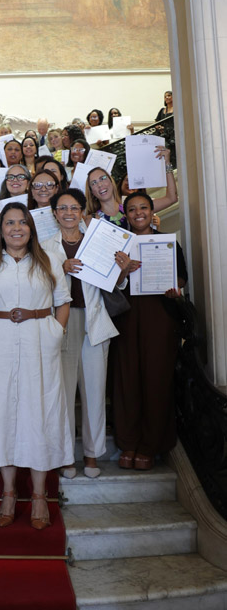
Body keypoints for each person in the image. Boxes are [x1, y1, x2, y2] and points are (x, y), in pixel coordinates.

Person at [0, 204, 72, 529]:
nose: (16, 228)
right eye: (9, 223)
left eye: (22, 222)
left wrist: (56, 333)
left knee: (38, 412)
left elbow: (63, 301)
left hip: (39, 340)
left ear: (31, 228)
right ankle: (8, 492)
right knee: (1, 413)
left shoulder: (50, 260)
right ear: (1, 229)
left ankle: (39, 495)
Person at [47, 189, 125, 479]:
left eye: (74, 208)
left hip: (94, 321)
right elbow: (39, 286)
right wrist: (62, 269)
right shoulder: (44, 246)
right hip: (61, 323)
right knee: (64, 393)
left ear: (82, 211)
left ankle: (92, 455)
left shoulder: (97, 241)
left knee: (94, 390)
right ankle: (66, 456)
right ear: (55, 213)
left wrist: (121, 269)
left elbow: (113, 283)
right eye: (62, 208)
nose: (68, 213)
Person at [113, 192, 187, 470]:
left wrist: (174, 288)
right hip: (126, 317)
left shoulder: (168, 242)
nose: (138, 213)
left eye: (143, 207)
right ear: (126, 215)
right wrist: (123, 270)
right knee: (127, 380)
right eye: (132, 209)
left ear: (152, 210)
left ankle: (150, 445)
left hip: (160, 316)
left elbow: (180, 279)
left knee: (157, 379)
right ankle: (128, 442)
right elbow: (108, 284)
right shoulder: (119, 245)